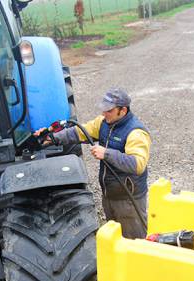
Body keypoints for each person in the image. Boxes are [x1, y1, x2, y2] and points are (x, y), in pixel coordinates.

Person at [36, 88, 152, 239]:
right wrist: (53, 138)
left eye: (109, 110)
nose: (104, 113)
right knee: (116, 238)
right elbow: (78, 132)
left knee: (134, 240)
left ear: (123, 110)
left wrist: (107, 153)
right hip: (109, 195)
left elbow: (137, 164)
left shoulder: (136, 132)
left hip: (128, 198)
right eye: (103, 109)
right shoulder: (103, 123)